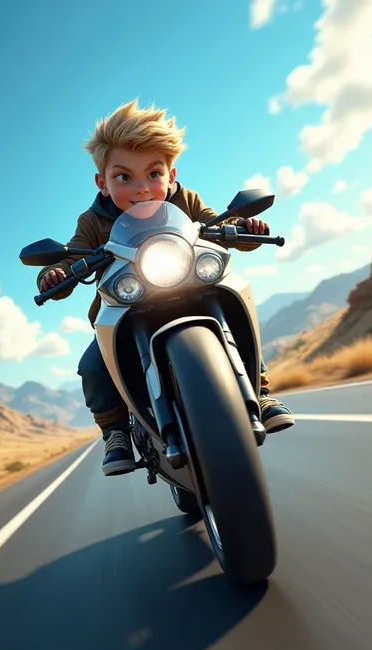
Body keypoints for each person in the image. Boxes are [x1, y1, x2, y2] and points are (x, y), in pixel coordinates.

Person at [37, 100, 294, 477]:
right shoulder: (92, 220)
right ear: (102, 182)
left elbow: (215, 225)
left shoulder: (185, 200)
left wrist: (244, 228)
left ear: (171, 174)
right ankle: (115, 433)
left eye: (153, 173)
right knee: (92, 364)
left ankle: (260, 392)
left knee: (234, 313)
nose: (142, 189)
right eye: (124, 177)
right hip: (127, 310)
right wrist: (56, 274)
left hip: (192, 291)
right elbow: (72, 253)